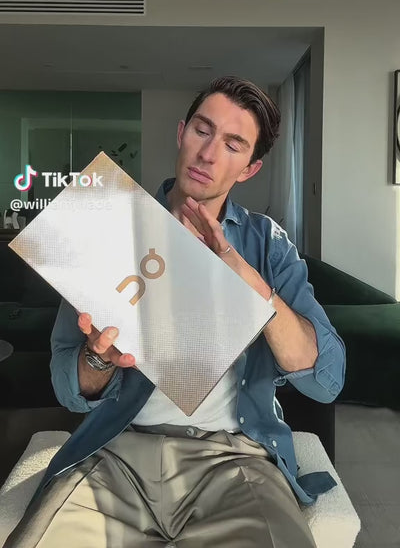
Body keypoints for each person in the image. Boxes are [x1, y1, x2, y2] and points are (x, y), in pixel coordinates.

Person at [5, 76, 345, 548]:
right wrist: (99, 358)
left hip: (236, 458)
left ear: (250, 169)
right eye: (202, 131)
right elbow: (68, 391)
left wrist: (252, 286)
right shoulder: (108, 229)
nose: (208, 154)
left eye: (232, 145)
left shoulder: (269, 245)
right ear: (182, 133)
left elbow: (326, 380)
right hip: (117, 449)